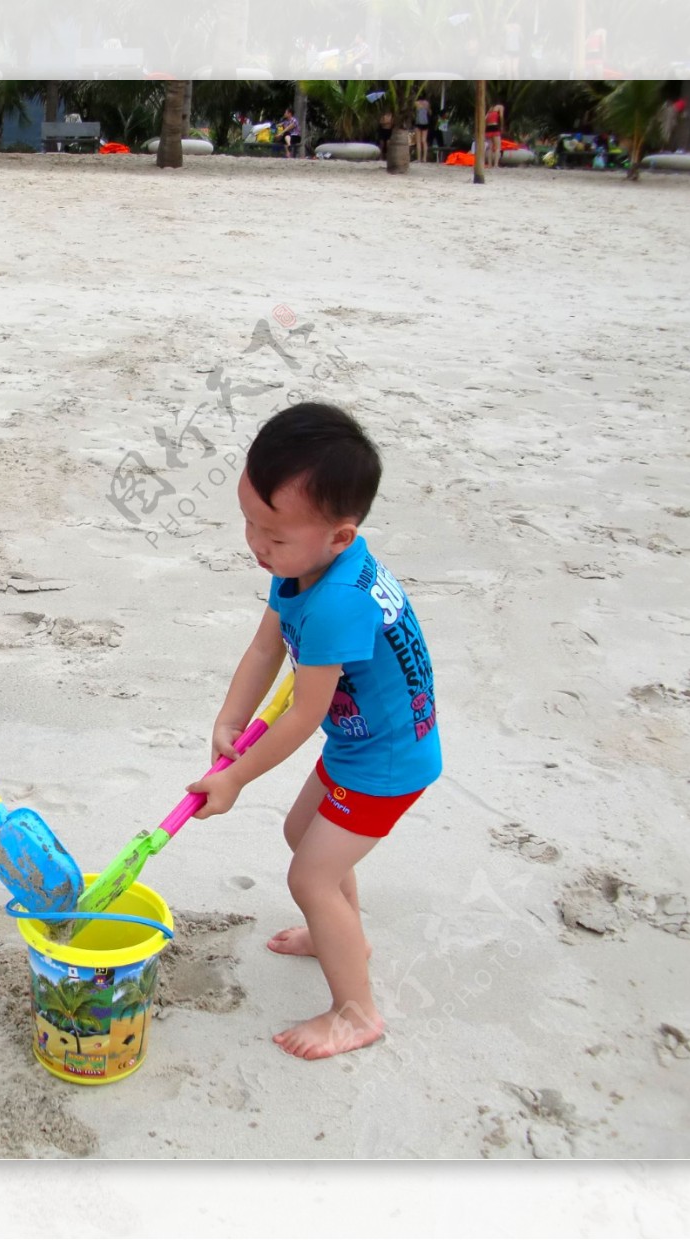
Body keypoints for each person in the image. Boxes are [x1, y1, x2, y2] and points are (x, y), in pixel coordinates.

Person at [185, 403, 442, 1059]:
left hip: (386, 761)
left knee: (310, 877)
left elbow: (303, 709)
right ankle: (342, 934)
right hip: (361, 742)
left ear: (339, 534)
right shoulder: (305, 566)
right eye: (249, 522)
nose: (257, 544)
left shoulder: (336, 603)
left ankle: (356, 1013)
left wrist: (236, 775)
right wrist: (230, 719)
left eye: (274, 534)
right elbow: (266, 648)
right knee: (302, 835)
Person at [484, 99, 505, 167]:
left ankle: (490, 164)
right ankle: (496, 164)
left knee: (490, 147)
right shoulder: (500, 107)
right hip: (495, 127)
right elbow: (501, 116)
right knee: (498, 147)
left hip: (488, 128)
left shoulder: (490, 109)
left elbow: (485, 119)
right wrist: (501, 125)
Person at [413, 94, 431, 163]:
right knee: (424, 141)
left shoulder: (416, 103)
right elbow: (429, 112)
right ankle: (424, 158)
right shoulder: (427, 103)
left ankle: (419, 158)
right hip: (425, 123)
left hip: (418, 123)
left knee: (418, 142)